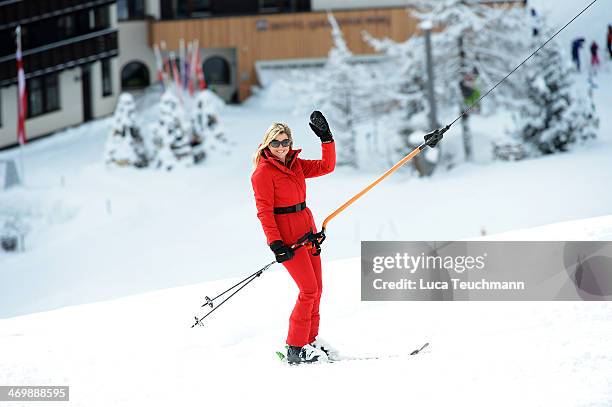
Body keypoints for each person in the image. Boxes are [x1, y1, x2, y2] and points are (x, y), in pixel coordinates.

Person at [251, 111, 337, 364]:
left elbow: (326, 166)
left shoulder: (296, 164)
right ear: (268, 143)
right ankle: (295, 347)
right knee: (308, 290)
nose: (280, 147)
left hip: (307, 232)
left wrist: (326, 138)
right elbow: (264, 212)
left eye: (285, 142)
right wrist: (276, 244)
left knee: (317, 290)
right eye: (275, 142)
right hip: (287, 238)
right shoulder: (263, 173)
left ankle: (310, 342)